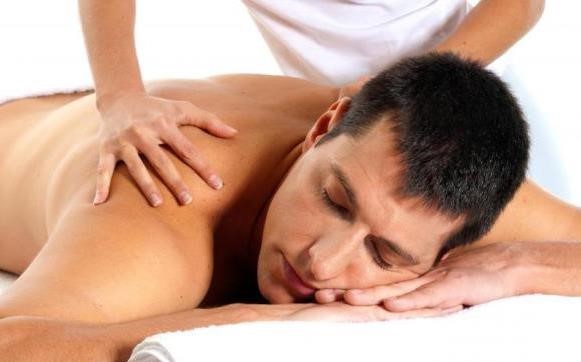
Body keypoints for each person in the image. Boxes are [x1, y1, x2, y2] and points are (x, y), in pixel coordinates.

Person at [0, 54, 579, 362]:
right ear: (324, 128)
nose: (322, 262)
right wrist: (247, 321)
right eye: (334, 199)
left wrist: (514, 264)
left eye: (384, 255)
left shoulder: (436, 193)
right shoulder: (164, 211)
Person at [78, 0, 545, 207]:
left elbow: (522, 3)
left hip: (470, 97)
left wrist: (398, 87)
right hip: (341, 129)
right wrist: (120, 97)